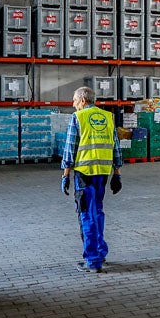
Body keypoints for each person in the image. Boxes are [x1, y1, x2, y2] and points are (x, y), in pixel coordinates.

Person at [60, 87, 122, 274]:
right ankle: (101, 252)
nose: (73, 104)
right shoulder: (108, 117)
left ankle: (93, 261)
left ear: (83, 100)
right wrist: (117, 173)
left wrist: (65, 175)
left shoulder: (77, 118)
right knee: (98, 212)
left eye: (74, 100)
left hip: (84, 174)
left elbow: (70, 148)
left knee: (87, 215)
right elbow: (116, 147)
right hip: (102, 174)